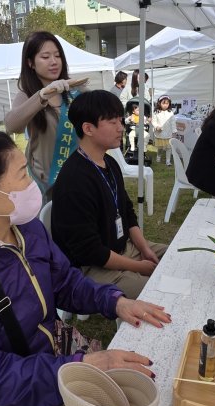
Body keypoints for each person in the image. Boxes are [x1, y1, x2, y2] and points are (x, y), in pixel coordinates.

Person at [0, 132, 170, 406]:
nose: (32, 185)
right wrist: (82, 366)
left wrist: (115, 301)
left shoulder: (28, 230)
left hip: (45, 358)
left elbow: (65, 283)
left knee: (136, 385)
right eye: (23, 175)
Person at [52, 90, 168, 300]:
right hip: (91, 268)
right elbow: (89, 251)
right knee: (160, 295)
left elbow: (127, 211)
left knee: (179, 256)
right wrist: (139, 267)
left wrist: (144, 248)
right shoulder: (74, 180)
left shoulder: (110, 162)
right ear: (88, 128)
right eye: (112, 121)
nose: (120, 127)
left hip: (124, 249)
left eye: (120, 120)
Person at [4, 31, 87, 200]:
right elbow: (12, 126)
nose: (54, 62)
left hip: (79, 177)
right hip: (45, 182)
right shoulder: (27, 94)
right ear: (30, 63)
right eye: (45, 57)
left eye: (57, 56)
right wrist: (42, 95)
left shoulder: (75, 90)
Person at [152, 95, 175, 165]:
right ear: (159, 103)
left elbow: (173, 122)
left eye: (167, 103)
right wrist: (156, 126)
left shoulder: (170, 113)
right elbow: (153, 121)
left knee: (169, 147)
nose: (165, 105)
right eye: (163, 103)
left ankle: (168, 161)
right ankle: (158, 156)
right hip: (160, 133)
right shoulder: (156, 112)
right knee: (160, 147)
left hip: (168, 133)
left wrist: (174, 131)